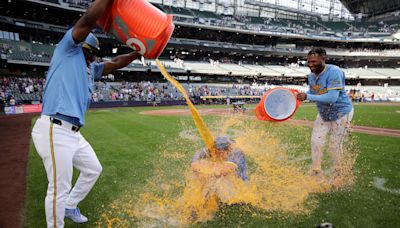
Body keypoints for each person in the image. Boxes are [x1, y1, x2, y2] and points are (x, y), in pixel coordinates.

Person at [31, 0, 140, 227]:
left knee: (93, 169)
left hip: (73, 133)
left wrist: (138, 52)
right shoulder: (67, 50)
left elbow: (116, 63)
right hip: (54, 126)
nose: (93, 58)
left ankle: (71, 206)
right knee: (58, 186)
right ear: (80, 46)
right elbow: (88, 20)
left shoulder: (90, 68)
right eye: (90, 53)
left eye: (94, 55)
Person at [296, 47, 353, 184]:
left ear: (323, 59)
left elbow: (332, 98)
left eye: (314, 61)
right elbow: (313, 92)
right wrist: (299, 96)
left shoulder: (334, 72)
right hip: (323, 113)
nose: (310, 64)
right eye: (308, 61)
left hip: (341, 113)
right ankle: (316, 172)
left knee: (334, 145)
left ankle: (338, 173)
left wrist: (307, 96)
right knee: (316, 142)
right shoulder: (311, 76)